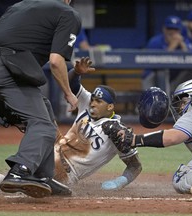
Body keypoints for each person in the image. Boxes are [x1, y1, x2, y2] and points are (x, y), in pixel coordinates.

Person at [0, 0, 81, 198]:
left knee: (44, 111)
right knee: (43, 125)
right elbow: (56, 61)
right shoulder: (67, 13)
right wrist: (68, 93)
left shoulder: (21, 5)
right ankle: (20, 171)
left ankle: (42, 176)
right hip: (5, 66)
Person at [53, 57, 142, 190]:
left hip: (66, 171)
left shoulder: (117, 130)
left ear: (110, 107)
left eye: (99, 102)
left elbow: (135, 166)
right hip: (53, 150)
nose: (93, 104)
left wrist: (119, 182)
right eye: (93, 100)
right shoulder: (87, 103)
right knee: (44, 107)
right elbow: (70, 84)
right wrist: (76, 72)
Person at [142, 15, 192, 93]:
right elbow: (159, 64)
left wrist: (182, 45)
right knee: (162, 72)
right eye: (169, 28)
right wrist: (172, 46)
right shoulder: (155, 42)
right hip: (153, 79)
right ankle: (164, 103)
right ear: (164, 29)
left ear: (180, 31)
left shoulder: (184, 41)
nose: (172, 32)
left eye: (176, 29)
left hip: (174, 79)